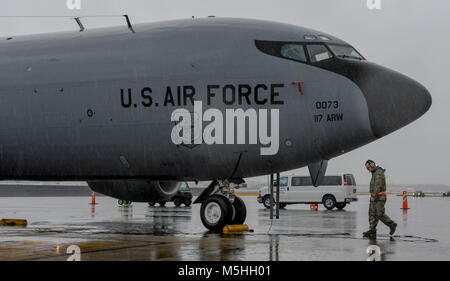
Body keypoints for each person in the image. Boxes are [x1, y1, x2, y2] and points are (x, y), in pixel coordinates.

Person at [363, 160, 397, 239]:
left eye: (368, 167)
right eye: (366, 168)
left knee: (379, 214)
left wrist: (373, 197)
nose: (367, 169)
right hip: (375, 197)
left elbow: (377, 186)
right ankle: (372, 230)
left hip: (379, 198)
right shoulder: (374, 173)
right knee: (372, 213)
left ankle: (392, 224)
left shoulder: (378, 173)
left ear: (372, 165)